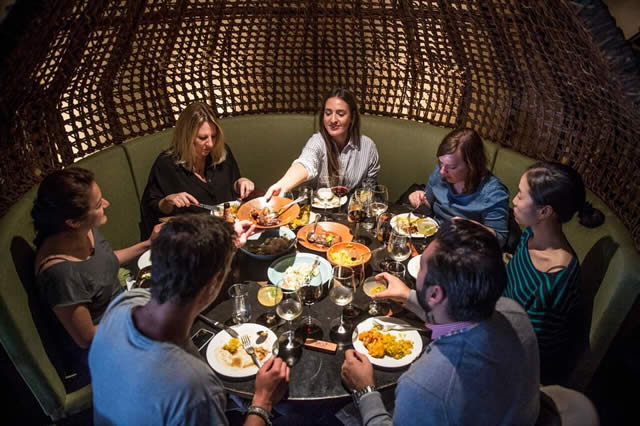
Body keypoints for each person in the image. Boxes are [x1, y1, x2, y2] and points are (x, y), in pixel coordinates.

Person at [89, 214, 290, 425]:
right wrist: (262, 402)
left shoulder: (125, 303)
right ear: (213, 285)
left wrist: (227, 242)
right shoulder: (194, 386)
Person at [341, 219, 540, 425]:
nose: (418, 273)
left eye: (421, 268)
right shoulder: (513, 311)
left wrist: (364, 390)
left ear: (435, 294)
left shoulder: (423, 385)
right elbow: (455, 313)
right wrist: (407, 296)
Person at [31, 167, 161, 387]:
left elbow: (106, 262)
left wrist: (149, 244)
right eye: (99, 204)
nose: (107, 204)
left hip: (125, 312)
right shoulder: (60, 273)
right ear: (72, 221)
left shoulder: (82, 230)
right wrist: (141, 318)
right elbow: (86, 338)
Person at [505, 162, 587, 385]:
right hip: (498, 322)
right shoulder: (530, 235)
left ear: (545, 211)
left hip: (519, 366)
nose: (514, 200)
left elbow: (526, 347)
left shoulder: (555, 279)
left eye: (521, 196)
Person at [140, 102, 255, 239]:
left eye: (214, 136)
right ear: (186, 137)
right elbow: (152, 210)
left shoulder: (222, 152)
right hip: (192, 240)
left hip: (228, 233)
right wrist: (168, 201)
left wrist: (240, 183)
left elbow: (232, 187)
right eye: (203, 138)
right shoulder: (166, 164)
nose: (211, 144)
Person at [265, 88, 380, 198]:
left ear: (352, 117)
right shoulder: (317, 141)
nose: (333, 120)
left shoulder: (368, 147)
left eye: (340, 114)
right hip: (318, 212)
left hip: (351, 213)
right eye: (328, 113)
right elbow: (306, 163)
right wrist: (283, 185)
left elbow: (369, 189)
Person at [408, 128, 509, 247]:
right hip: (433, 237)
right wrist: (419, 199)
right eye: (440, 163)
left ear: (472, 165)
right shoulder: (441, 172)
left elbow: (499, 240)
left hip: (465, 248)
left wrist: (471, 228)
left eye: (452, 167)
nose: (442, 171)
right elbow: (428, 206)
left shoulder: (493, 192)